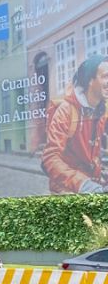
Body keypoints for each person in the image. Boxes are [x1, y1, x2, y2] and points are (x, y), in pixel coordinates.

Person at [42, 56, 108, 194]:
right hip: (67, 190)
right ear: (90, 80)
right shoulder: (67, 110)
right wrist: (83, 184)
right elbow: (49, 158)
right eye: (105, 76)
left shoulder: (102, 111)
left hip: (94, 188)